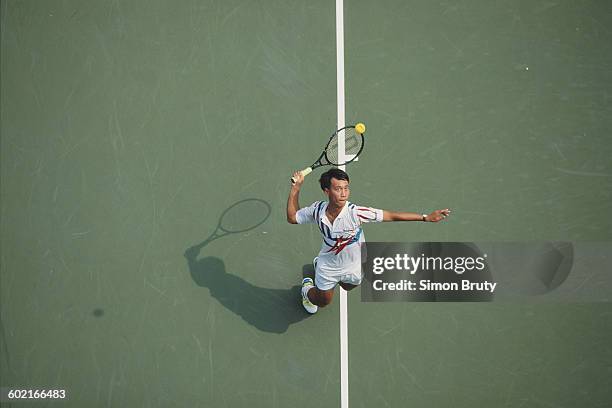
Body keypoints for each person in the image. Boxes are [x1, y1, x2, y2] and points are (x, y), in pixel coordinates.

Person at [287, 168, 451, 313]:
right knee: (323, 301)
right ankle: (307, 289)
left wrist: (425, 217)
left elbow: (391, 215)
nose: (344, 193)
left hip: (355, 265)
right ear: (326, 191)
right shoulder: (317, 211)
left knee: (347, 286)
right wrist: (296, 187)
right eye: (338, 189)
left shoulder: (356, 213)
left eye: (346, 188)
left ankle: (324, 276)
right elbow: (293, 217)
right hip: (329, 264)